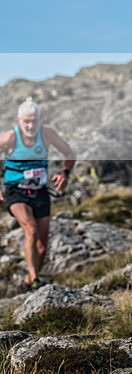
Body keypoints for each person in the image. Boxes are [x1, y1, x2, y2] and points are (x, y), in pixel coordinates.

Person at [0, 98, 76, 291]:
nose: (30, 126)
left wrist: (64, 173)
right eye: (26, 121)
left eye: (34, 121)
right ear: (19, 120)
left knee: (42, 245)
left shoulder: (47, 134)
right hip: (16, 191)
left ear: (40, 120)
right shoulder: (10, 137)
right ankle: (35, 280)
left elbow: (70, 154)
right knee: (31, 229)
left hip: (40, 192)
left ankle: (28, 280)